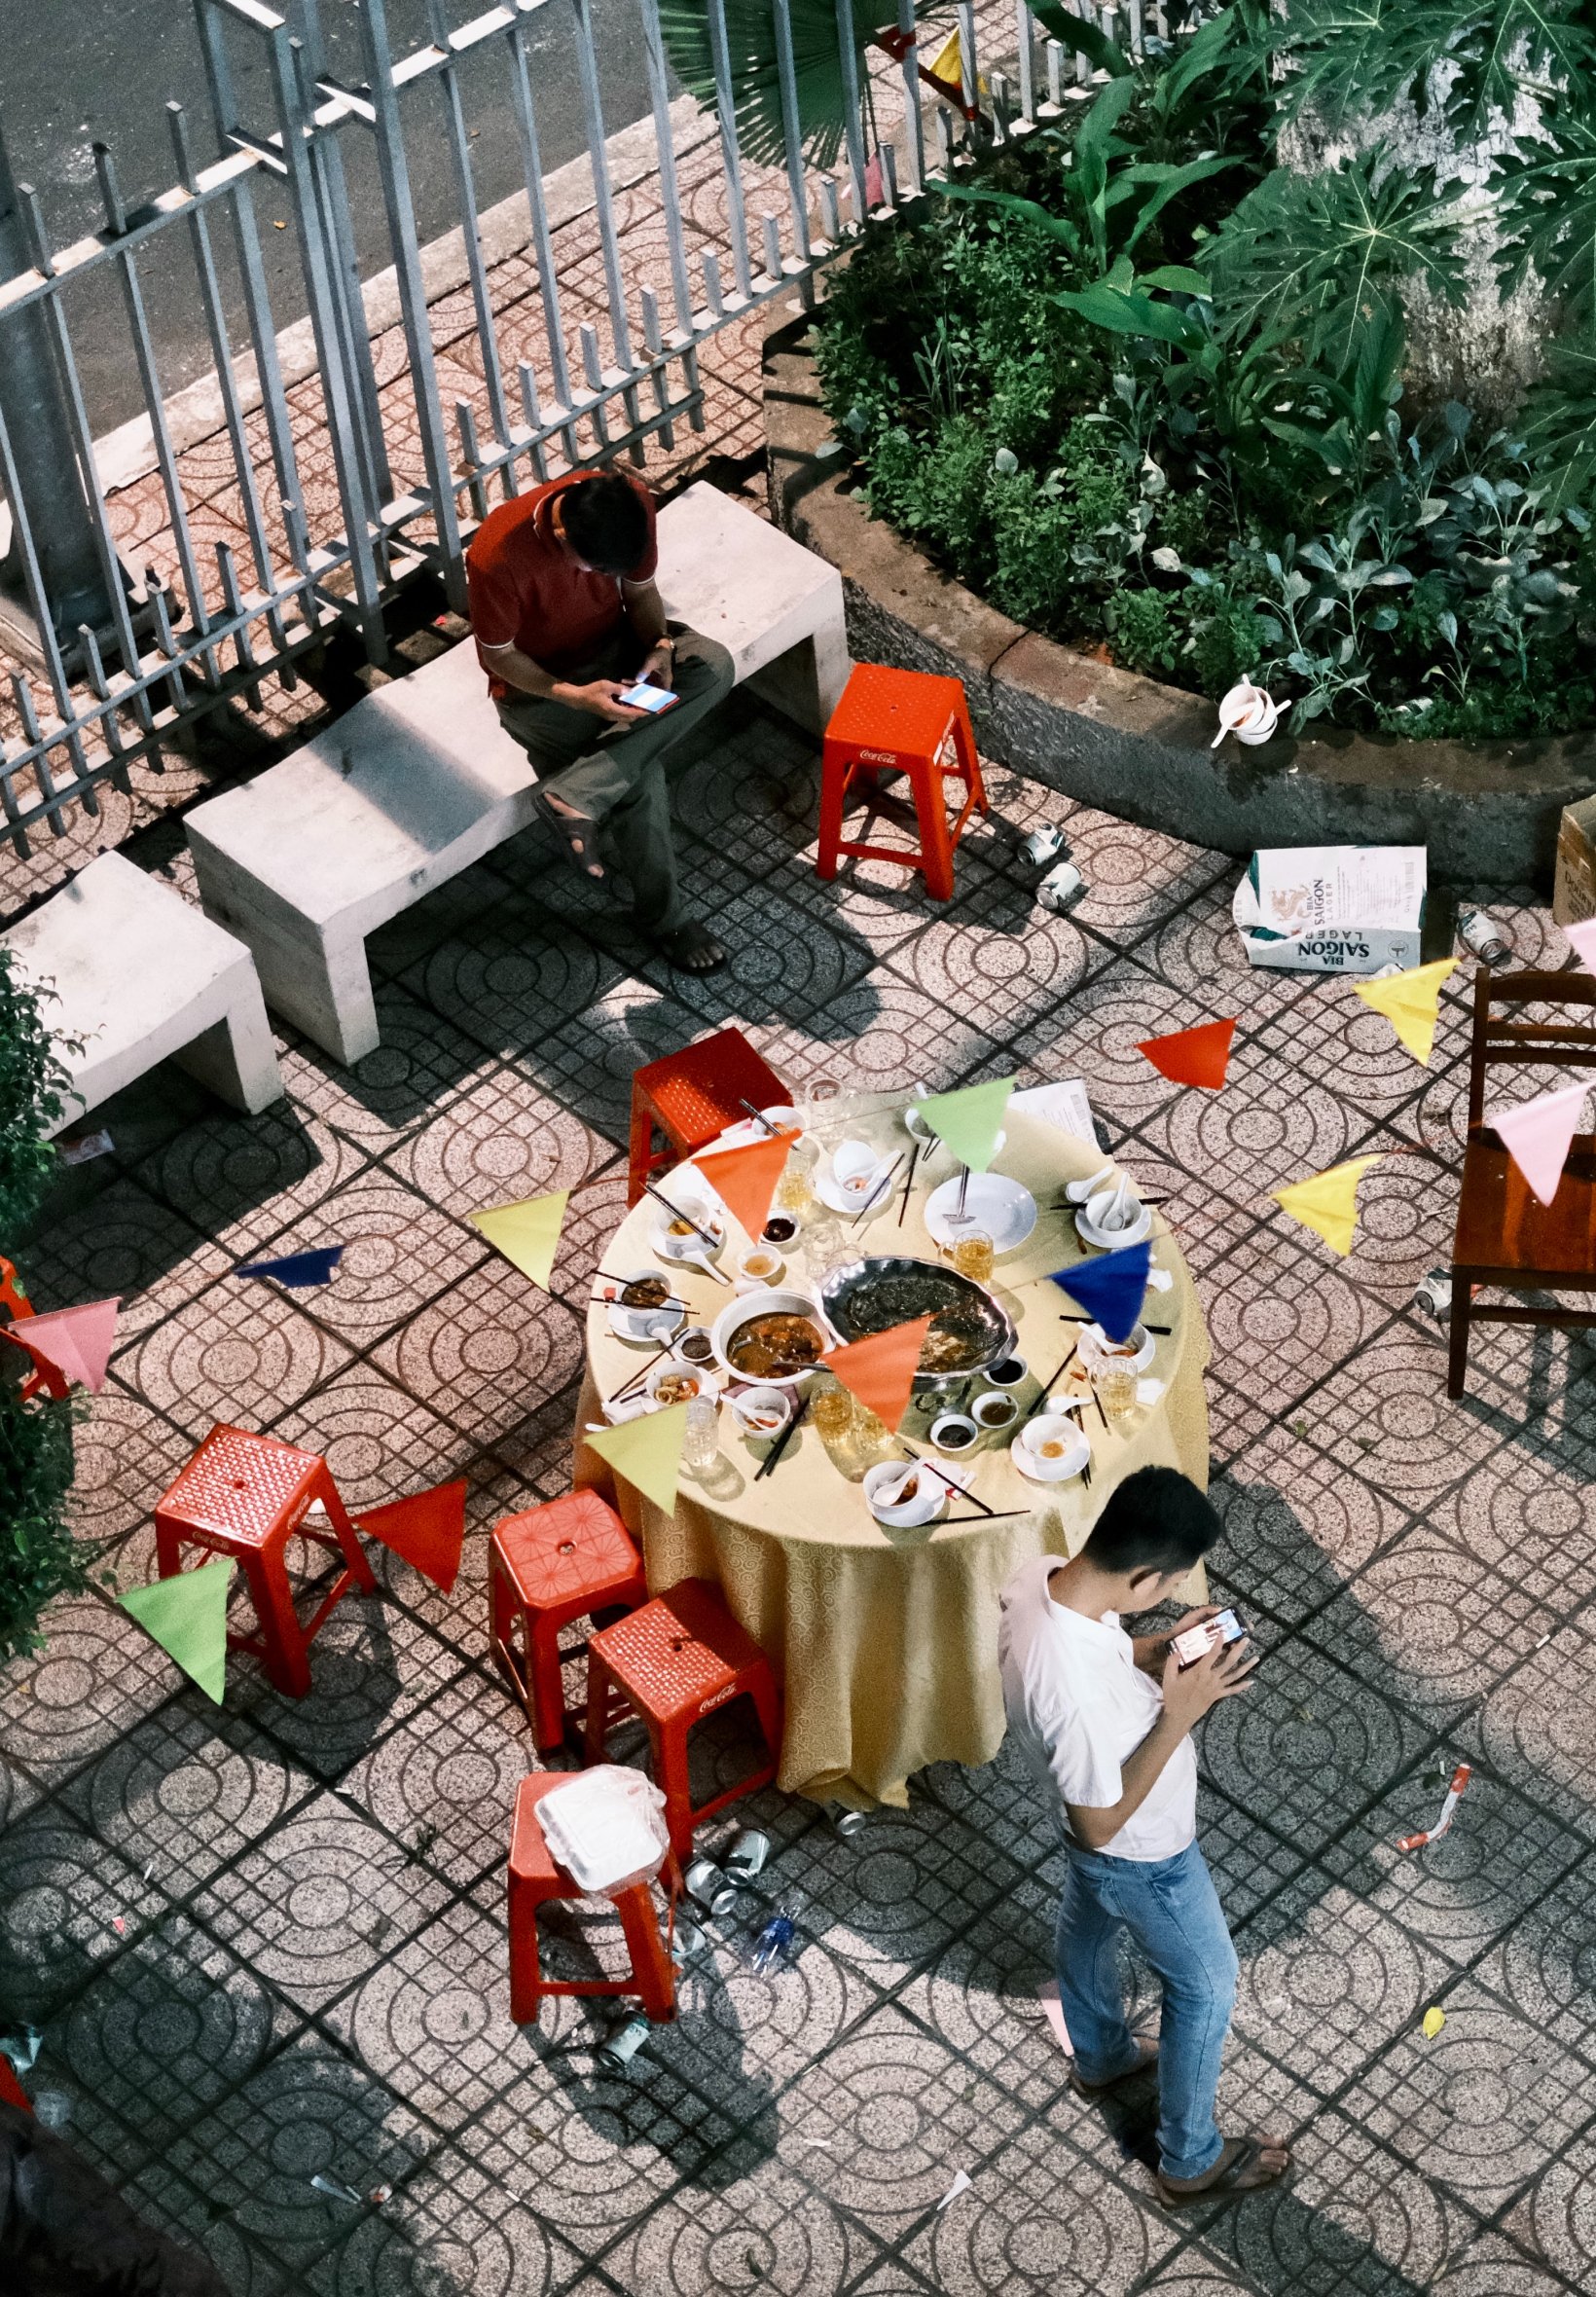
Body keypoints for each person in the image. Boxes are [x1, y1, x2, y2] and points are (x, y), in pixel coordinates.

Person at [998, 1466, 1290, 2206]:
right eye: (1173, 1582)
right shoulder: (1073, 1698)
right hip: (1144, 1857)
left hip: (1097, 1854)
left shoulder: (1043, 1580)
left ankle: (1100, 2056)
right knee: (1206, 1985)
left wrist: (1159, 1650)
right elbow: (1098, 1826)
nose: (1176, 1591)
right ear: (1144, 1577)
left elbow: (1103, 1652)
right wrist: (1179, 1713)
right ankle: (1189, 2161)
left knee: (1088, 1926)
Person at [465, 466, 735, 974]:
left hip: (619, 650)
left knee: (715, 664)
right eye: (594, 569)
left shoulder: (631, 503)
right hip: (541, 691)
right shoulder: (497, 554)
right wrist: (575, 697)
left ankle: (574, 794)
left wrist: (659, 646)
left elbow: (641, 593)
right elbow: (499, 657)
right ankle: (667, 922)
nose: (598, 579)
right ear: (562, 534)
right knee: (640, 780)